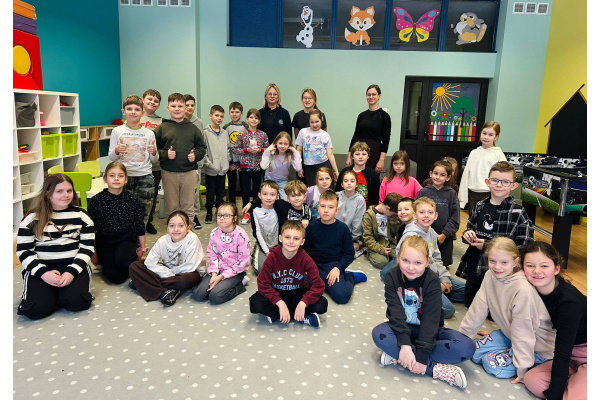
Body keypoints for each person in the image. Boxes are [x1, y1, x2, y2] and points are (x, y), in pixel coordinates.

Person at [373, 236, 475, 388]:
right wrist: (405, 345)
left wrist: (421, 356)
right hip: (403, 328)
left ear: (427, 262)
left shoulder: (432, 281)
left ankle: (398, 356)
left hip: (430, 331)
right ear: (398, 257)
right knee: (379, 334)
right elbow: (395, 312)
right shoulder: (392, 276)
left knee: (467, 347)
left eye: (418, 263)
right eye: (405, 260)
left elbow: (431, 320)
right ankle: (435, 369)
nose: (411, 267)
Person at [458, 237, 555, 382]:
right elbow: (477, 309)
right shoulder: (489, 275)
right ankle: (507, 349)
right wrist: (461, 338)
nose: (497, 267)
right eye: (492, 261)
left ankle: (532, 362)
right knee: (473, 352)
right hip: (510, 334)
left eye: (504, 262)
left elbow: (523, 332)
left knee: (490, 364)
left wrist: (522, 368)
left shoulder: (522, 289)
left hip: (538, 346)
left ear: (515, 262)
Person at [16, 174, 95, 319]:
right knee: (35, 311)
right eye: (59, 191)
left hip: (72, 265)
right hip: (42, 267)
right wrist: (43, 274)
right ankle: (51, 294)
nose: (66, 195)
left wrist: (71, 272)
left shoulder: (82, 216)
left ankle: (59, 294)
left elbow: (87, 248)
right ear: (47, 193)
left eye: (69, 191)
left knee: (77, 303)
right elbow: (24, 251)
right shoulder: (31, 218)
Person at [456, 161, 533, 308]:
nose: (499, 185)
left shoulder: (518, 213)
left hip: (501, 272)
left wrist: (487, 246)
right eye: (495, 180)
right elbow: (470, 228)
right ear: (487, 182)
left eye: (505, 182)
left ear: (513, 186)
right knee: (471, 304)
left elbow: (525, 246)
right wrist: (467, 234)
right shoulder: (480, 206)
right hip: (475, 265)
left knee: (495, 311)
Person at [522, 242, 587, 400]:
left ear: (556, 269)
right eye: (530, 265)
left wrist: (554, 395)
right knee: (532, 380)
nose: (537, 271)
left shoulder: (569, 302)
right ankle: (579, 383)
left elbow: (562, 352)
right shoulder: (528, 290)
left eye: (544, 266)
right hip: (572, 356)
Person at [394, 197, 465, 319]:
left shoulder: (431, 232)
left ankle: (436, 294)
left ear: (435, 216)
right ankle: (417, 297)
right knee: (448, 310)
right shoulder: (411, 236)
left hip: (434, 275)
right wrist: (436, 283)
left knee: (468, 291)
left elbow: (436, 258)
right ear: (415, 215)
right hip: (417, 280)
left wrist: (444, 278)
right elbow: (412, 269)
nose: (426, 215)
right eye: (422, 212)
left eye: (430, 212)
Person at [249, 220, 328, 328]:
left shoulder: (306, 258)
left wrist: (303, 303)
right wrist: (280, 303)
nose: (291, 241)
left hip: (298, 294)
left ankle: (277, 315)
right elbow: (263, 284)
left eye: (296, 238)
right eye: (287, 237)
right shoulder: (272, 257)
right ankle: (301, 316)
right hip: (277, 292)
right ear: (280, 238)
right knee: (255, 303)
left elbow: (318, 285)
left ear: (302, 242)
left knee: (322, 304)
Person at [302, 190, 367, 305]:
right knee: (299, 287)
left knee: (341, 297)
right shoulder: (312, 226)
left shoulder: (343, 229)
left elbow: (349, 254)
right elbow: (305, 250)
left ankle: (350, 276)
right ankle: (323, 282)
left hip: (332, 265)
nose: (326, 210)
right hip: (314, 264)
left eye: (330, 207)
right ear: (318, 208)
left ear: (337, 211)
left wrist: (338, 268)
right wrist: (306, 266)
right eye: (323, 206)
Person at [129, 211, 204, 307]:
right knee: (134, 266)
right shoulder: (163, 240)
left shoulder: (192, 239)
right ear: (167, 228)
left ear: (188, 228)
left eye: (181, 226)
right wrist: (166, 273)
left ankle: (144, 283)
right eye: (172, 226)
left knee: (184, 280)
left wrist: (168, 274)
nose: (176, 229)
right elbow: (150, 261)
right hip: (167, 271)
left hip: (189, 273)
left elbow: (189, 266)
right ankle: (166, 291)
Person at [88, 162, 146, 284]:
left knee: (124, 262)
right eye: (112, 175)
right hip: (104, 241)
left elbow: (140, 226)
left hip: (126, 239)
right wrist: (93, 252)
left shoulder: (133, 200)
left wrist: (142, 248)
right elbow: (90, 230)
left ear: (126, 179)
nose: (116, 179)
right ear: (105, 179)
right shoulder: (96, 201)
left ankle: (130, 261)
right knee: (115, 278)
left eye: (120, 176)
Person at [154, 92, 207, 222]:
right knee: (172, 206)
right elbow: (154, 150)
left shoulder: (193, 128)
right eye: (173, 106)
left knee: (188, 206)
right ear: (168, 108)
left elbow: (202, 148)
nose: (177, 109)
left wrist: (195, 156)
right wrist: (165, 154)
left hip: (189, 173)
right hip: (169, 173)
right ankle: (174, 230)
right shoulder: (162, 128)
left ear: (185, 108)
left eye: (180, 106)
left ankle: (188, 230)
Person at [108, 94, 158, 229]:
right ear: (123, 111)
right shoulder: (117, 131)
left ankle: (140, 239)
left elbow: (154, 159)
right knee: (123, 212)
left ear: (142, 112)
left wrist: (153, 152)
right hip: (124, 177)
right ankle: (126, 239)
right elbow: (111, 157)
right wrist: (117, 150)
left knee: (143, 213)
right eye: (129, 109)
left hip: (145, 177)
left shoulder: (149, 133)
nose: (133, 112)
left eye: (137, 109)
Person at [192, 202, 251, 304]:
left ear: (234, 218)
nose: (222, 218)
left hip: (236, 271)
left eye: (226, 215)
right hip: (218, 269)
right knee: (198, 295)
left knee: (215, 297)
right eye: (219, 215)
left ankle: (241, 284)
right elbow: (212, 254)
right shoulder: (214, 233)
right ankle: (219, 283)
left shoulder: (241, 235)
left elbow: (242, 262)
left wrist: (221, 277)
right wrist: (214, 274)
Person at [417, 160, 460, 267]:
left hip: (444, 237)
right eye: (435, 173)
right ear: (431, 173)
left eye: (442, 175)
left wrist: (444, 235)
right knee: (424, 261)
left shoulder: (452, 194)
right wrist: (430, 232)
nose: (438, 177)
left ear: (448, 177)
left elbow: (455, 217)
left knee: (442, 265)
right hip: (425, 233)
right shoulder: (423, 192)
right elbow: (417, 213)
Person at [458, 121, 507, 213]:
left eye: (490, 135)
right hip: (473, 193)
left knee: (488, 219)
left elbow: (504, 176)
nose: (486, 137)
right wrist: (462, 198)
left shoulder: (498, 154)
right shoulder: (474, 153)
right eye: (484, 133)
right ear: (480, 133)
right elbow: (466, 175)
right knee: (473, 218)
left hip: (490, 193)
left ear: (496, 137)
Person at [233, 108, 269, 219]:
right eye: (251, 117)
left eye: (256, 118)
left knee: (257, 191)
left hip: (258, 167)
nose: (253, 120)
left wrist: (260, 150)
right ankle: (246, 212)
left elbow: (268, 149)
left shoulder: (263, 135)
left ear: (259, 121)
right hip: (245, 167)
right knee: (245, 191)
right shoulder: (242, 134)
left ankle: (255, 211)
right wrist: (246, 150)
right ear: (247, 119)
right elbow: (236, 149)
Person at [347, 84, 391, 173]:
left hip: (374, 153)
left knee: (371, 178)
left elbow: (386, 140)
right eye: (368, 94)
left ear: (379, 96)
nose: (371, 97)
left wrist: (381, 160)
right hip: (358, 152)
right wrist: (349, 156)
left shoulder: (385, 116)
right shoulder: (361, 115)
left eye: (374, 94)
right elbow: (355, 136)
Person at [140, 88, 163, 235]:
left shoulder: (161, 122)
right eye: (150, 99)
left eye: (156, 101)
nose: (152, 102)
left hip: (155, 166)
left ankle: (149, 221)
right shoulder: (135, 117)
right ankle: (135, 223)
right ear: (143, 100)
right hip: (136, 166)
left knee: (152, 196)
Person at [296, 109, 339, 186]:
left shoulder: (325, 135)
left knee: (326, 187)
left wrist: (336, 170)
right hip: (309, 166)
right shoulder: (303, 132)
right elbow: (298, 150)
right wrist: (298, 167)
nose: (314, 124)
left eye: (317, 122)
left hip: (324, 164)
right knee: (312, 189)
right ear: (309, 121)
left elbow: (330, 154)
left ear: (321, 119)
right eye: (312, 122)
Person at [202, 105, 229, 224]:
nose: (219, 118)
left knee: (221, 194)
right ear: (210, 116)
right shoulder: (205, 133)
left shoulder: (224, 133)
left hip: (223, 169)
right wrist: (209, 164)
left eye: (221, 116)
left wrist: (227, 162)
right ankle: (209, 213)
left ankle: (219, 213)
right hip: (211, 169)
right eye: (217, 115)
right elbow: (203, 151)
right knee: (210, 193)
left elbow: (228, 149)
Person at [335, 141, 380, 209]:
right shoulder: (344, 172)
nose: (360, 157)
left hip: (365, 211)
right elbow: (337, 192)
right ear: (352, 156)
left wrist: (371, 212)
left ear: (368, 156)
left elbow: (375, 197)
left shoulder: (373, 175)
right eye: (357, 154)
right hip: (345, 209)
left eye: (364, 154)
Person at [362, 192, 401, 269]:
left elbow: (393, 234)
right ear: (387, 208)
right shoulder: (369, 216)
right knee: (382, 262)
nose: (395, 216)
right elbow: (368, 238)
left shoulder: (390, 216)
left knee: (401, 258)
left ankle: (390, 258)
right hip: (376, 245)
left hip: (390, 243)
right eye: (394, 214)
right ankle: (371, 255)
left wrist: (393, 220)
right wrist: (381, 250)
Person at [248, 180, 280, 275]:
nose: (268, 198)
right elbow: (257, 232)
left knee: (281, 268)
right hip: (263, 245)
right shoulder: (255, 211)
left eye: (272, 195)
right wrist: (266, 252)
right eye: (265, 194)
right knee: (260, 270)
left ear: (277, 196)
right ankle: (256, 252)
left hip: (278, 245)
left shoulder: (279, 208)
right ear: (259, 195)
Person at [184, 94, 205, 230]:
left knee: (194, 191)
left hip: (195, 162)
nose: (190, 108)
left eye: (192, 105)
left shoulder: (199, 122)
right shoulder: (178, 121)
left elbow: (201, 143)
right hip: (181, 163)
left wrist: (199, 160)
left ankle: (194, 216)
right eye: (187, 105)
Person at [261, 131, 302, 201]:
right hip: (270, 179)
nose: (282, 146)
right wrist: (267, 151)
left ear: (289, 145)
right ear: (276, 143)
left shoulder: (290, 155)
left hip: (282, 181)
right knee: (270, 198)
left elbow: (298, 168)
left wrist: (295, 152)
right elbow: (263, 166)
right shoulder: (271, 153)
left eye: (285, 144)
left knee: (286, 200)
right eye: (280, 143)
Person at [336, 170, 367, 257]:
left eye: (352, 181)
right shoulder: (336, 196)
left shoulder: (359, 200)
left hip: (349, 235)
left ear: (357, 184)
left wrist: (355, 240)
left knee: (348, 253)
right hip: (335, 232)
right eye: (346, 181)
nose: (349, 183)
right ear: (342, 184)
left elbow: (358, 221)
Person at [223, 101, 248, 204]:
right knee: (232, 185)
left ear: (241, 113)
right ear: (229, 113)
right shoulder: (226, 127)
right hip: (231, 162)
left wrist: (243, 162)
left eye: (237, 112)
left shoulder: (246, 127)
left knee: (244, 186)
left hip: (243, 162)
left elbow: (248, 145)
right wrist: (229, 163)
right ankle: (232, 206)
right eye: (232, 112)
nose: (234, 114)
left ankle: (245, 207)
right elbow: (224, 146)